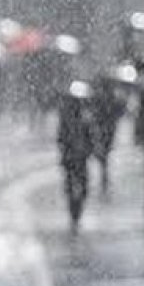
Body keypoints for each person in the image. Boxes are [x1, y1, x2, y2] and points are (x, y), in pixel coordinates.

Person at [58, 85, 95, 234]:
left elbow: (90, 137)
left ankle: (76, 210)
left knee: (82, 186)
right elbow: (61, 138)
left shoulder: (85, 117)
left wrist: (88, 149)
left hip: (80, 158)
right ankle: (74, 211)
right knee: (72, 185)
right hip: (72, 159)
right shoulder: (67, 118)